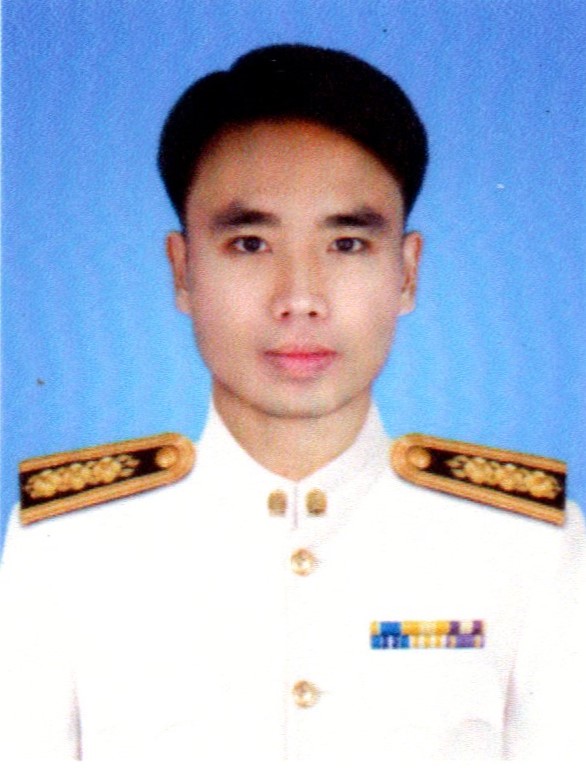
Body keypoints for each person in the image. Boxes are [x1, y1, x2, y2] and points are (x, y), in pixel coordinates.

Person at [0, 44, 584, 763]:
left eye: (348, 243)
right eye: (250, 244)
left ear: (406, 273)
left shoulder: (527, 544)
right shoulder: (66, 545)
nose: (300, 298)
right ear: (183, 272)